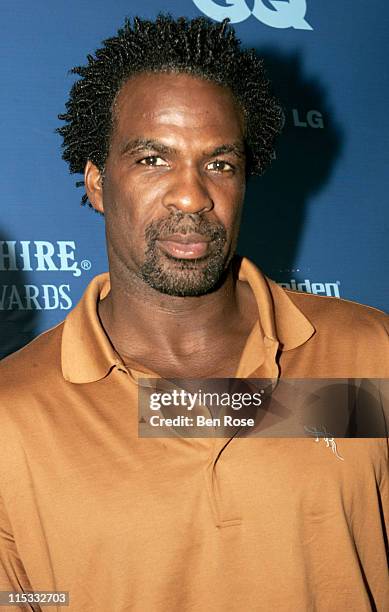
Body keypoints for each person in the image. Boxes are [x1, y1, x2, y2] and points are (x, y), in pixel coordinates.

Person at [0, 14, 388, 612]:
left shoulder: (370, 354)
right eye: (153, 159)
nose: (192, 194)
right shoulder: (13, 415)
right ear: (99, 183)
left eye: (220, 163)